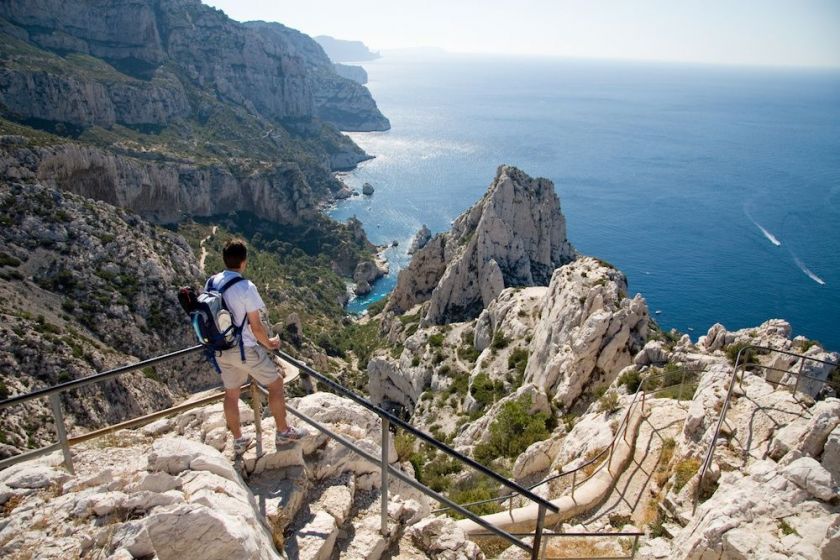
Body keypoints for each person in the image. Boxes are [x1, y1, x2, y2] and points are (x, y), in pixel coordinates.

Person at [211, 238, 306, 455]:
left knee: (231, 394)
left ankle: (238, 440)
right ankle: (283, 431)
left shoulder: (212, 281)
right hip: (243, 349)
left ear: (225, 260)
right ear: (244, 262)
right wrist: (270, 343)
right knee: (276, 383)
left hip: (220, 349)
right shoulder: (246, 287)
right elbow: (256, 326)